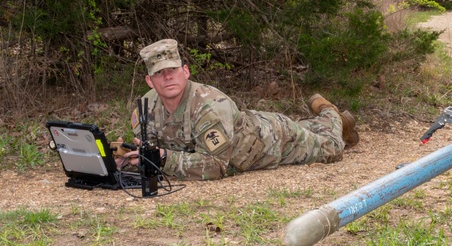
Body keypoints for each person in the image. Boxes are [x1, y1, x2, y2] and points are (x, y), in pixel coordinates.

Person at [118, 38, 359, 180]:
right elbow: (150, 149)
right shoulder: (145, 108)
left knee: (332, 148)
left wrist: (164, 159)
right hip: (245, 129)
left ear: (186, 72)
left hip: (273, 142)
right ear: (150, 81)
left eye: (172, 70)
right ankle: (322, 121)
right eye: (159, 73)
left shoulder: (210, 105)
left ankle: (330, 112)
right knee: (310, 129)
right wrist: (128, 157)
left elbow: (216, 166)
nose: (167, 77)